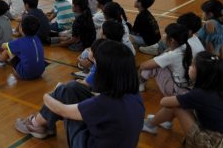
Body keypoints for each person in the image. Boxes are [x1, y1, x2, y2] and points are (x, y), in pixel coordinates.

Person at [14, 40, 144, 148]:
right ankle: (42, 124)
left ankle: (37, 125)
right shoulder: (134, 96)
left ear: (106, 74)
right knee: (72, 88)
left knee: (63, 91)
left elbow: (63, 110)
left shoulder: (105, 103)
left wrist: (47, 96)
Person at [143, 51, 223, 146]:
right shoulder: (216, 87)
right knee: (180, 102)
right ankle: (163, 120)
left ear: (202, 72)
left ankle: (150, 124)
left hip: (211, 142)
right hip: (218, 136)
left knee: (177, 105)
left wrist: (179, 97)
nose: (189, 66)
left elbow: (163, 102)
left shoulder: (200, 94)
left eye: (193, 65)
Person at [139, 23, 192, 106]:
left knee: (153, 65)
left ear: (172, 40)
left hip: (176, 93)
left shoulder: (172, 55)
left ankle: (140, 83)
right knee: (158, 62)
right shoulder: (186, 46)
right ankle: (141, 83)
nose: (163, 35)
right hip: (186, 90)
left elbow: (143, 66)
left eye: (165, 34)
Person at [0, 15, 45, 80]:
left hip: (25, 74)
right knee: (20, 51)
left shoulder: (20, 41)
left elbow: (3, 46)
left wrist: (5, 43)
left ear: (21, 28)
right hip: (41, 71)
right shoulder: (37, 38)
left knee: (7, 50)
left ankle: (0, 61)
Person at [140, 12, 204, 57]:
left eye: (179, 26)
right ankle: (157, 47)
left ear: (189, 31)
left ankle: (157, 49)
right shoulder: (193, 37)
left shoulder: (184, 46)